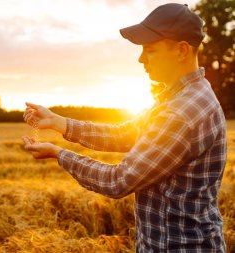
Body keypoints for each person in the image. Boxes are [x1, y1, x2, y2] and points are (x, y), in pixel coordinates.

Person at [22, 3, 227, 252]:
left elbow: (119, 180)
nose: (141, 59)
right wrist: (59, 123)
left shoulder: (182, 112)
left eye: (150, 50)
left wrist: (59, 154)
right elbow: (127, 134)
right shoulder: (181, 97)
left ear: (182, 50)